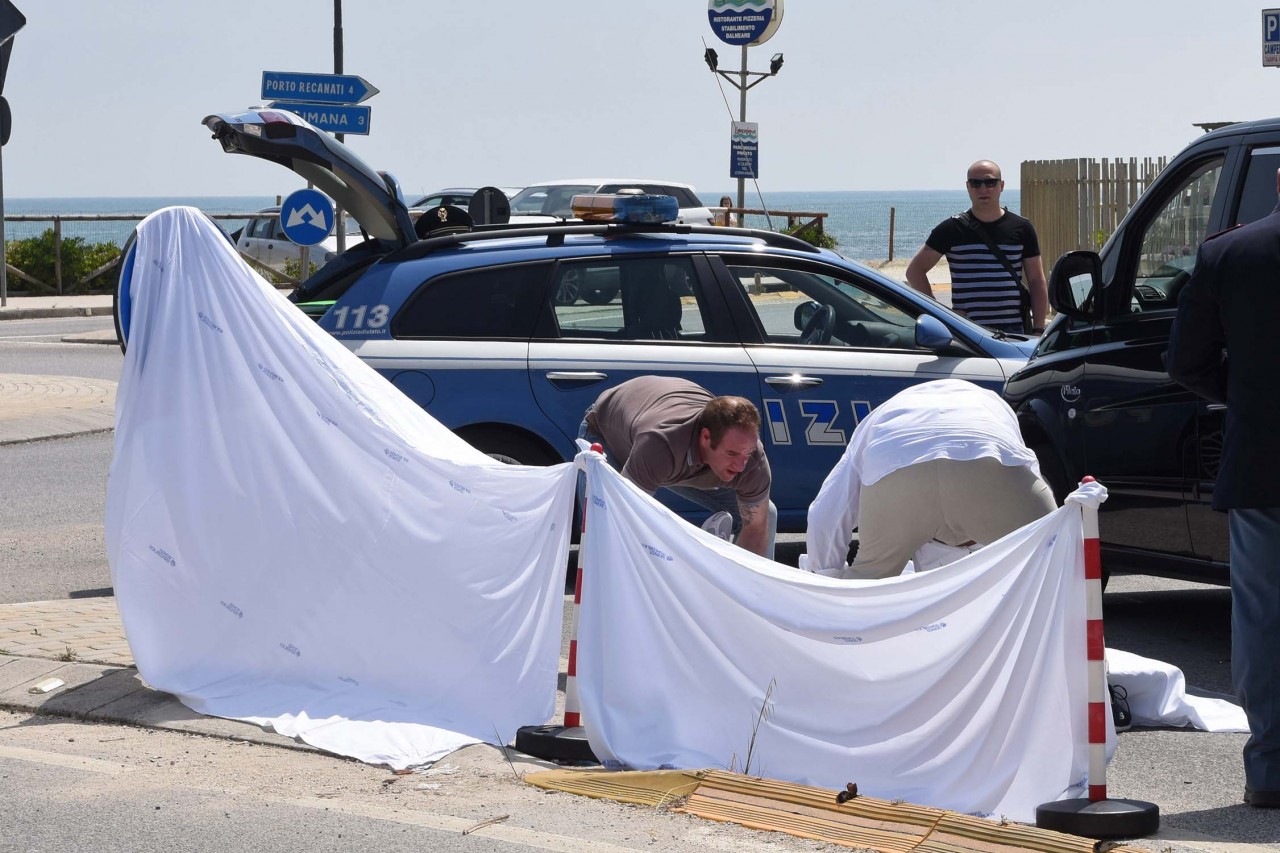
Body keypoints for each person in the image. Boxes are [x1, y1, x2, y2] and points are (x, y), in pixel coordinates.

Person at [1166, 168, 1280, 808]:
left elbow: (1186, 362)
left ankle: (1270, 770)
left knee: (1264, 622)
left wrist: (1245, 398)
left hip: (1264, 462)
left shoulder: (1227, 253)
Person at [799, 379, 1058, 579]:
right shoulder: (993, 405)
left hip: (897, 473)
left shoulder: (877, 421)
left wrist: (827, 579)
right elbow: (1024, 468)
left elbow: (827, 512)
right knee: (1053, 565)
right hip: (987, 457)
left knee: (863, 597)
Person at [581, 376, 776, 559]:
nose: (741, 466)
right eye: (732, 454)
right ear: (706, 437)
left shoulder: (752, 461)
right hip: (608, 431)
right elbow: (624, 517)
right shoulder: (660, 445)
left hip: (674, 452)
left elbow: (756, 528)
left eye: (747, 454)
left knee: (764, 513)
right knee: (602, 526)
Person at [905, 160, 1048, 334]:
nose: (983, 189)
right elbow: (914, 271)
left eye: (990, 182)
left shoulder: (1022, 228)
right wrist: (940, 315)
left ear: (1001, 185)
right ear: (968, 187)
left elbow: (1036, 280)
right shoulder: (951, 229)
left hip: (1014, 331)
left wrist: (1039, 328)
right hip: (968, 333)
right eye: (975, 183)